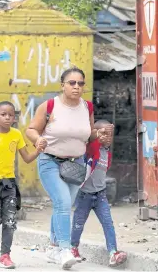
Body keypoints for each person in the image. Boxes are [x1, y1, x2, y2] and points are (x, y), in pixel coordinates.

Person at [26, 66, 113, 269]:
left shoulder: (87, 107)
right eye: (72, 83)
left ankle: (53, 246)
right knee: (63, 202)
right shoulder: (50, 106)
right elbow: (30, 129)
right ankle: (65, 250)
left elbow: (88, 133)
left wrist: (97, 136)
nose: (76, 87)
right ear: (63, 85)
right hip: (50, 161)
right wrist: (38, 139)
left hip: (76, 164)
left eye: (80, 83)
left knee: (63, 205)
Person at [0, 101, 41, 268]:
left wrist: (38, 149)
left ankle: (5, 256)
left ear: (14, 118)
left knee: (10, 221)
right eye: (3, 114)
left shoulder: (16, 135)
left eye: (10, 115)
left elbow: (26, 158)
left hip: (9, 184)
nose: (7, 117)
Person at [71, 120, 127, 267]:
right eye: (103, 134)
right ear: (95, 134)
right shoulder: (91, 148)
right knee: (78, 223)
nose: (107, 138)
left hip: (100, 194)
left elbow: (104, 168)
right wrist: (96, 137)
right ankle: (73, 248)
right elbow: (92, 146)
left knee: (108, 223)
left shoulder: (106, 152)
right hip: (84, 195)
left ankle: (113, 253)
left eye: (110, 135)